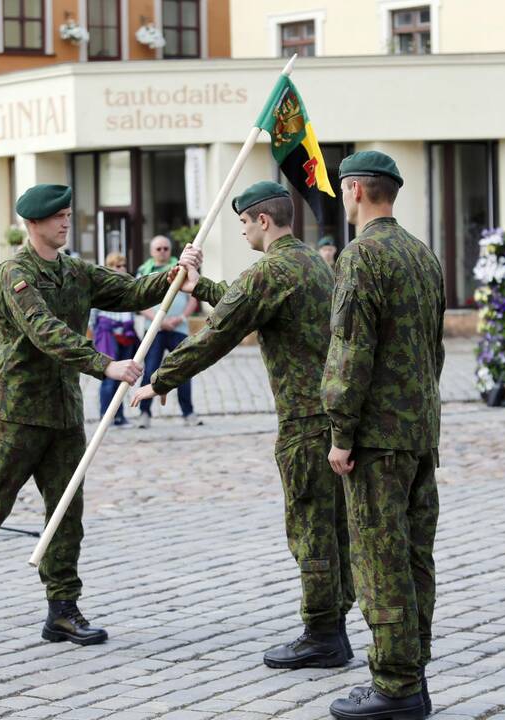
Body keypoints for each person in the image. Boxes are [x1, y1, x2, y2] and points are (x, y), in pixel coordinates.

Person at [0, 183, 200, 644]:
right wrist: (104, 364)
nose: (66, 222)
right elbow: (43, 329)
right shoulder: (14, 275)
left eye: (68, 214)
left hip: (64, 413)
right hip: (19, 413)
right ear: (33, 224)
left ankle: (63, 609)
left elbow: (129, 291)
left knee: (66, 511)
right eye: (57, 217)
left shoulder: (75, 272)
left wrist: (176, 275)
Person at [130, 181, 355, 670]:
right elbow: (244, 301)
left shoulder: (271, 270)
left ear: (264, 222)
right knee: (336, 527)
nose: (243, 231)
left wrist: (162, 379)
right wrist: (199, 287)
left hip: (304, 421)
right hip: (334, 419)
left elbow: (220, 331)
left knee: (311, 526)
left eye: (244, 223)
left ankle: (322, 635)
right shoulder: (312, 264)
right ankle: (334, 622)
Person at [322, 151, 445, 720]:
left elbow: (350, 353)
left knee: (379, 559)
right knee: (416, 557)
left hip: (375, 439)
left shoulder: (361, 256)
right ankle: (410, 672)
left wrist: (341, 434)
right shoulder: (423, 255)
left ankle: (394, 687)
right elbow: (434, 350)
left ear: (354, 191)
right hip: (420, 432)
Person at [134, 235, 202, 429]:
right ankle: (144, 413)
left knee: (183, 370)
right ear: (152, 251)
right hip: (154, 329)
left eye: (166, 248)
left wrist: (180, 318)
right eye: (159, 249)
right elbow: (139, 302)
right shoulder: (144, 270)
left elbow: (193, 297)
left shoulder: (182, 267)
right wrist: (158, 320)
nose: (163, 252)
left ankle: (188, 412)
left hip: (178, 328)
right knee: (150, 371)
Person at [90, 252, 138, 428]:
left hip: (125, 334)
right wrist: (98, 333)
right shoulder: (100, 287)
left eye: (123, 265)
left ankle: (120, 416)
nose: (121, 268)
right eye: (117, 266)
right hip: (107, 336)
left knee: (123, 377)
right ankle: (106, 415)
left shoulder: (128, 284)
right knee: (109, 376)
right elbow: (92, 313)